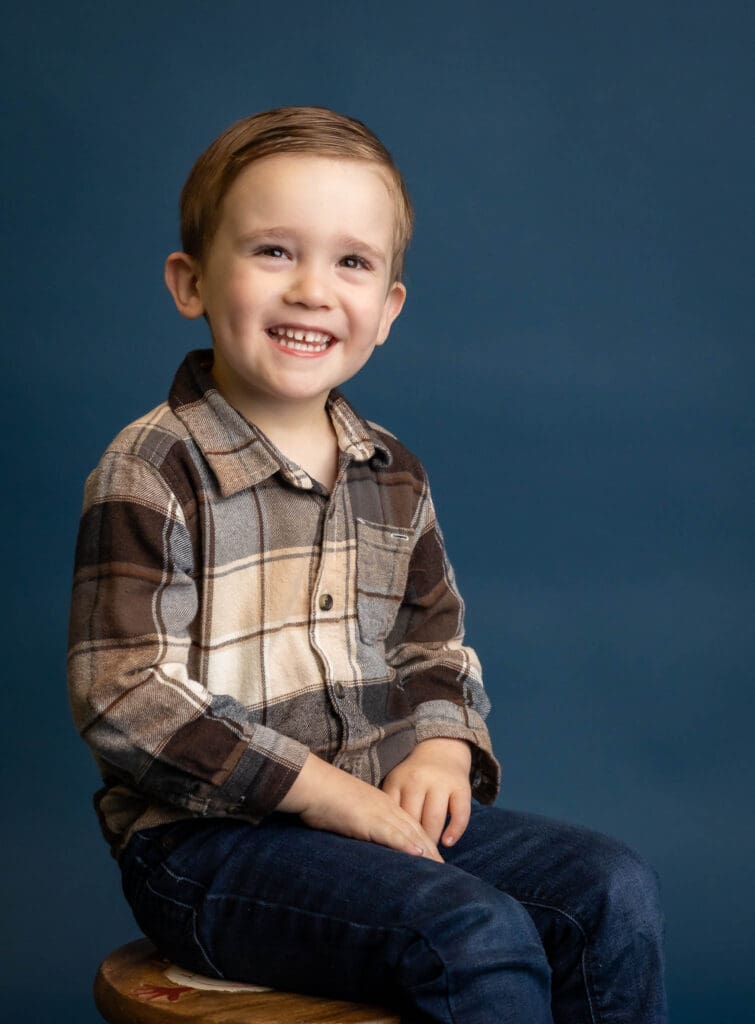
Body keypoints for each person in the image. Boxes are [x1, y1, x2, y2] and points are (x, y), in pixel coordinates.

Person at [68, 106, 667, 1023]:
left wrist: (438, 743)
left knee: (608, 888)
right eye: (273, 251)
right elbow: (123, 694)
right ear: (190, 282)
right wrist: (326, 795)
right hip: (208, 850)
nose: (313, 289)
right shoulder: (152, 467)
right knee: (467, 932)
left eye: (351, 262)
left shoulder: (391, 473)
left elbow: (432, 640)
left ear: (386, 308)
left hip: (376, 819)